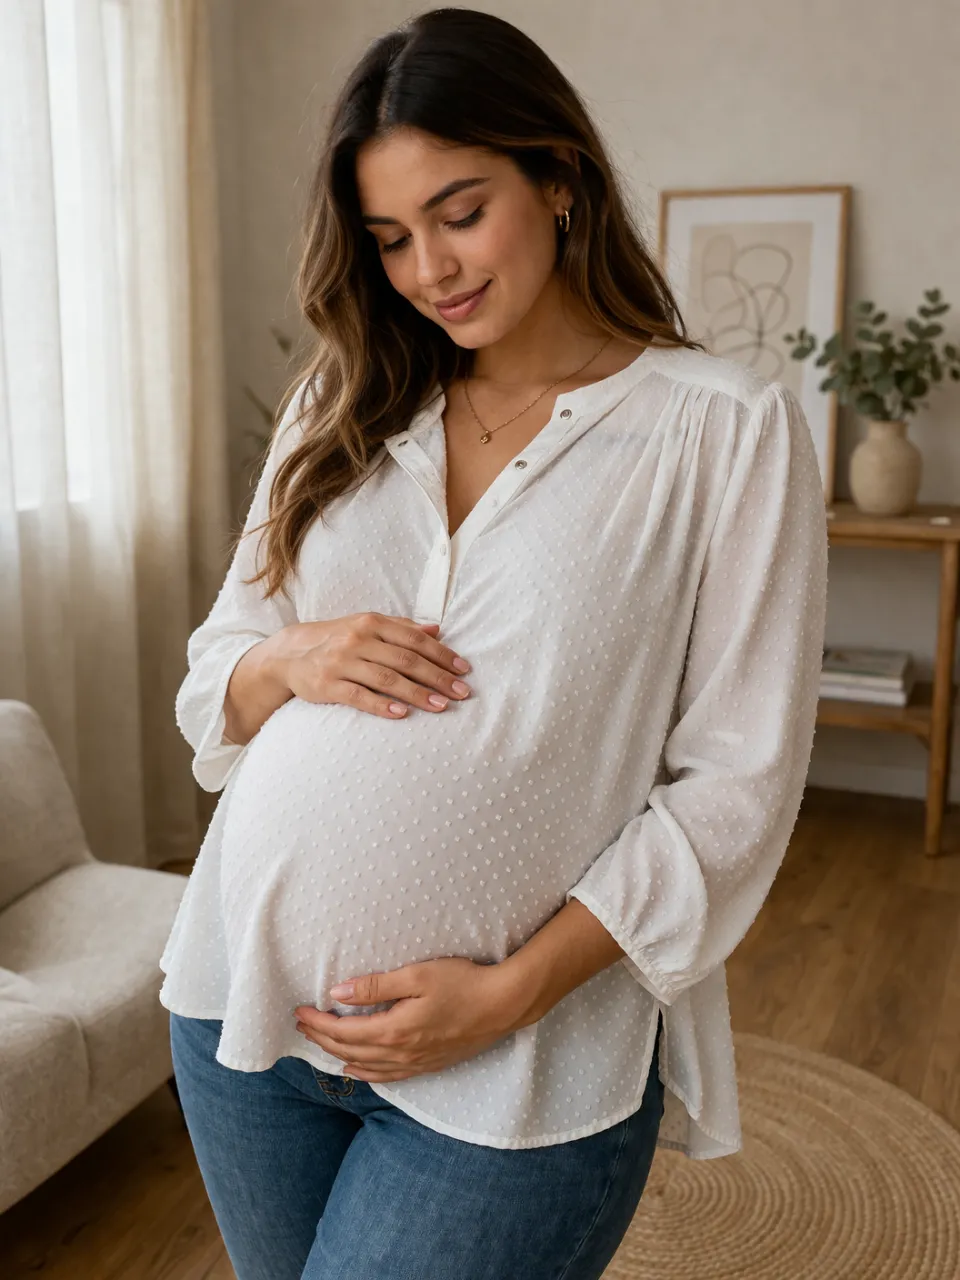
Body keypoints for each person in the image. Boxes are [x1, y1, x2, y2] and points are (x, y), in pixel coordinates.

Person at [160, 7, 829, 1278]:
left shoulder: (724, 432)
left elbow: (738, 789)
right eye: (392, 238)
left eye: (460, 212)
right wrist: (289, 660)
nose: (429, 271)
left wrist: (509, 991)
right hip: (242, 1004)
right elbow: (221, 662)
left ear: (558, 176)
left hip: (516, 1061)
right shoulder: (344, 394)